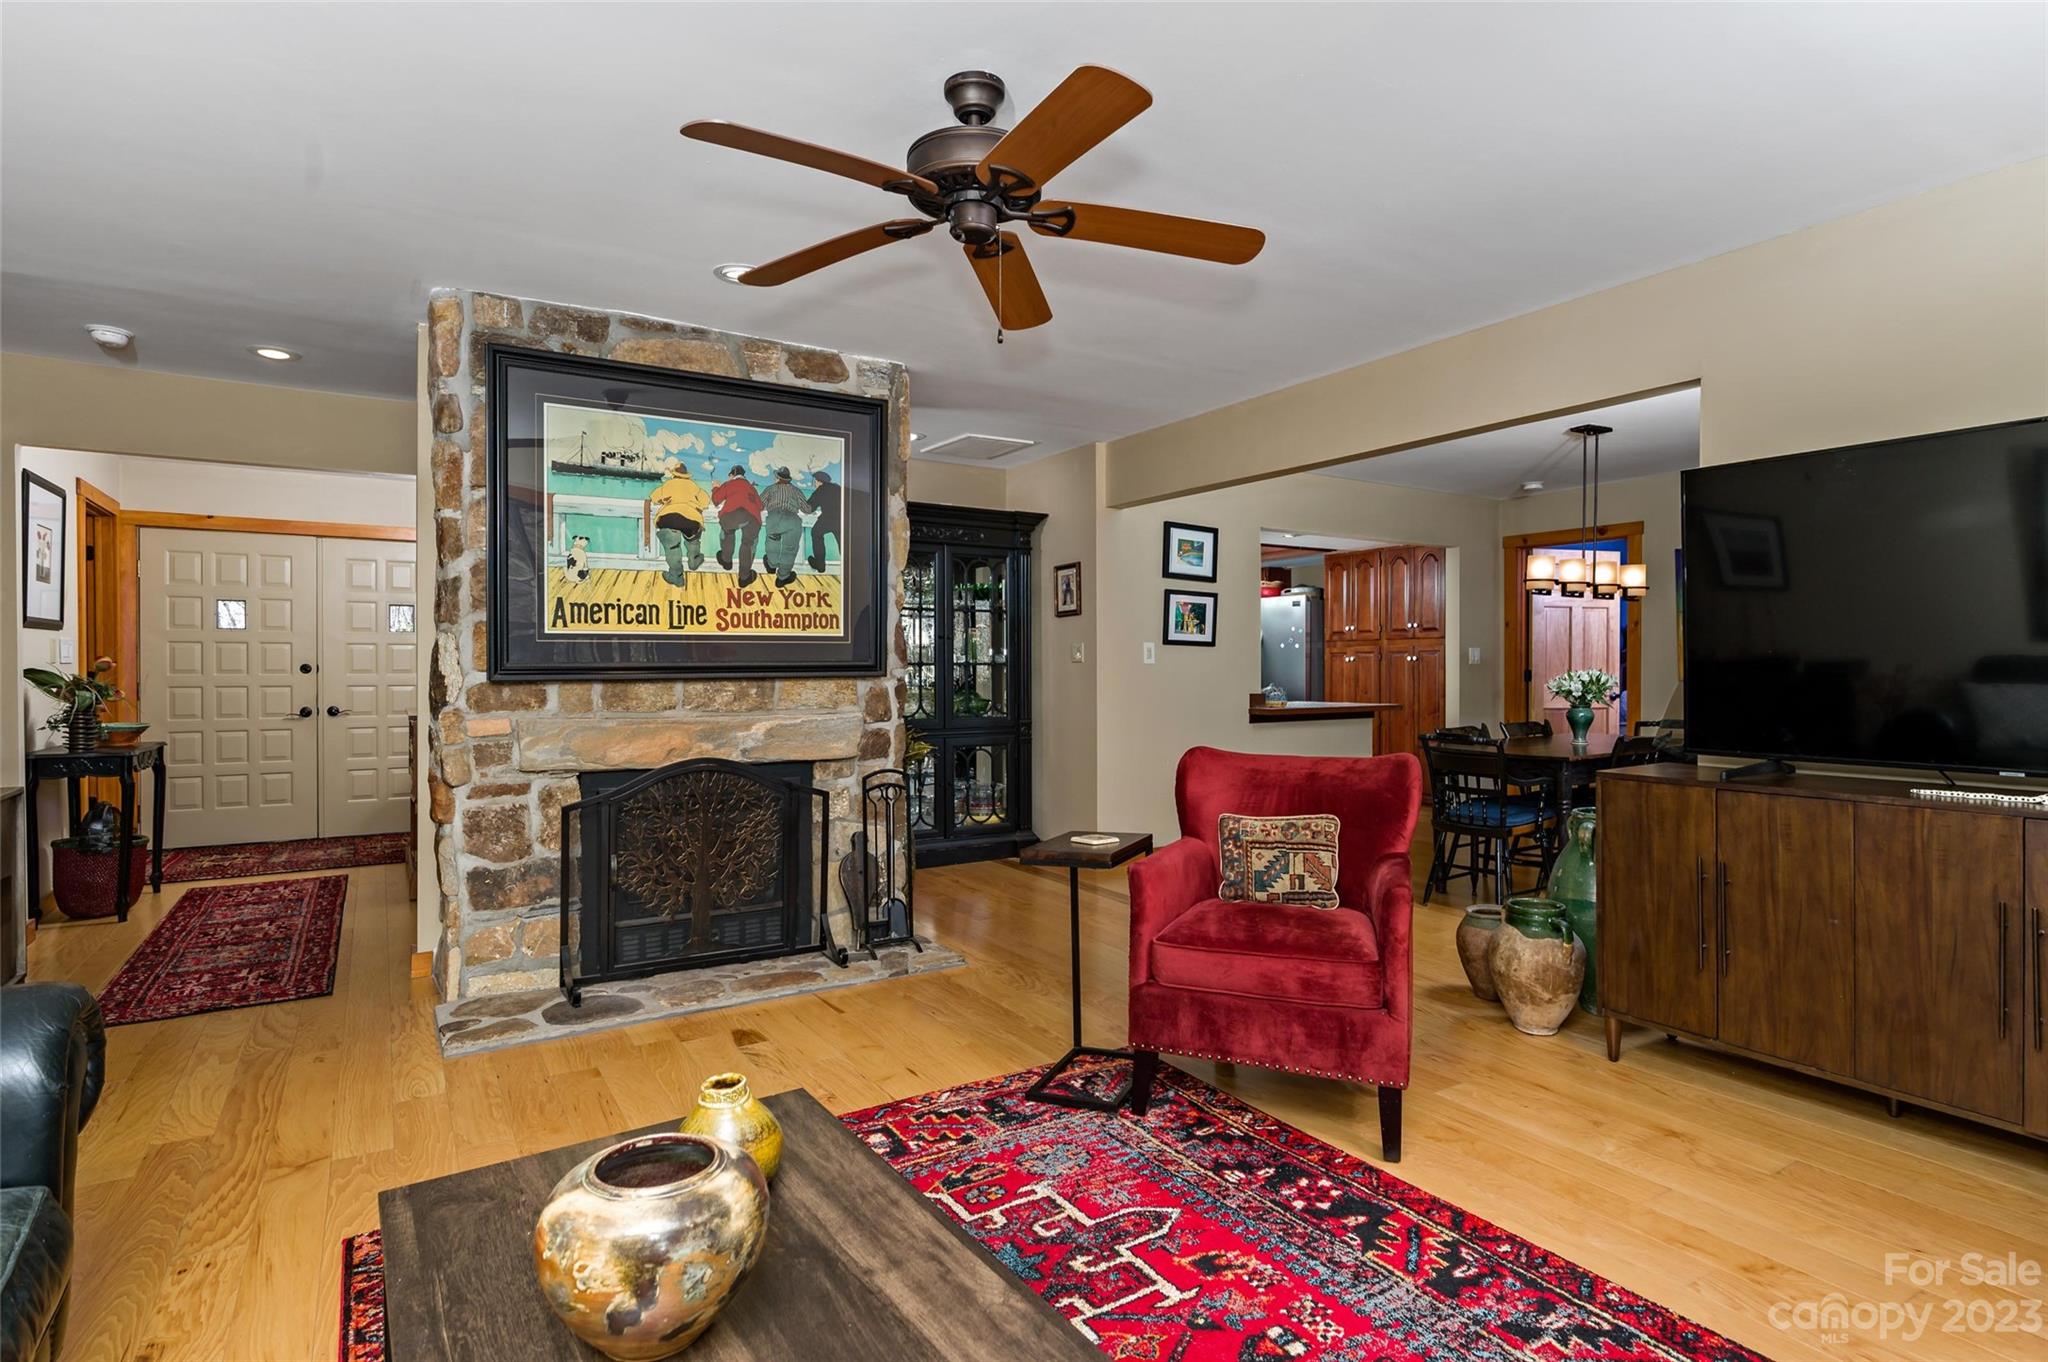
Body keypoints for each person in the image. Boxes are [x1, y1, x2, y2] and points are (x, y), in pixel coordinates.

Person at [648, 458, 709, 586]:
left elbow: (654, 497)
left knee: (672, 547)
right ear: (686, 475)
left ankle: (677, 577)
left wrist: (665, 501)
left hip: (669, 517)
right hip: (691, 518)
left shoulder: (669, 484)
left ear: (674, 474)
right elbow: (705, 501)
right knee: (693, 540)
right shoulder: (693, 485)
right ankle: (694, 561)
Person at [709, 464, 762, 588]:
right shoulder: (751, 488)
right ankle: (744, 577)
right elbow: (760, 506)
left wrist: (715, 487)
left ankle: (726, 560)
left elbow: (716, 500)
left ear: (732, 475)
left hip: (731, 516)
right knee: (748, 543)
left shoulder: (729, 484)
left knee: (727, 531)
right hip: (752, 518)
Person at [759, 465, 808, 589]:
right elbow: (807, 509)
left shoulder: (770, 489)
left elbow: (759, 505)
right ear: (788, 479)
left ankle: (771, 565)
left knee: (772, 543)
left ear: (777, 478)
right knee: (790, 550)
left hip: (774, 517)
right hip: (792, 519)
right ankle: (783, 577)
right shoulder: (796, 491)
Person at [805, 468, 842, 573]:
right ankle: (847, 565)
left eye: (814, 481)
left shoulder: (820, 490)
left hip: (827, 519)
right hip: (841, 520)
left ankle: (820, 565)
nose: (814, 484)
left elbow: (809, 508)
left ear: (818, 481)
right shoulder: (838, 488)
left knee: (816, 533)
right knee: (842, 542)